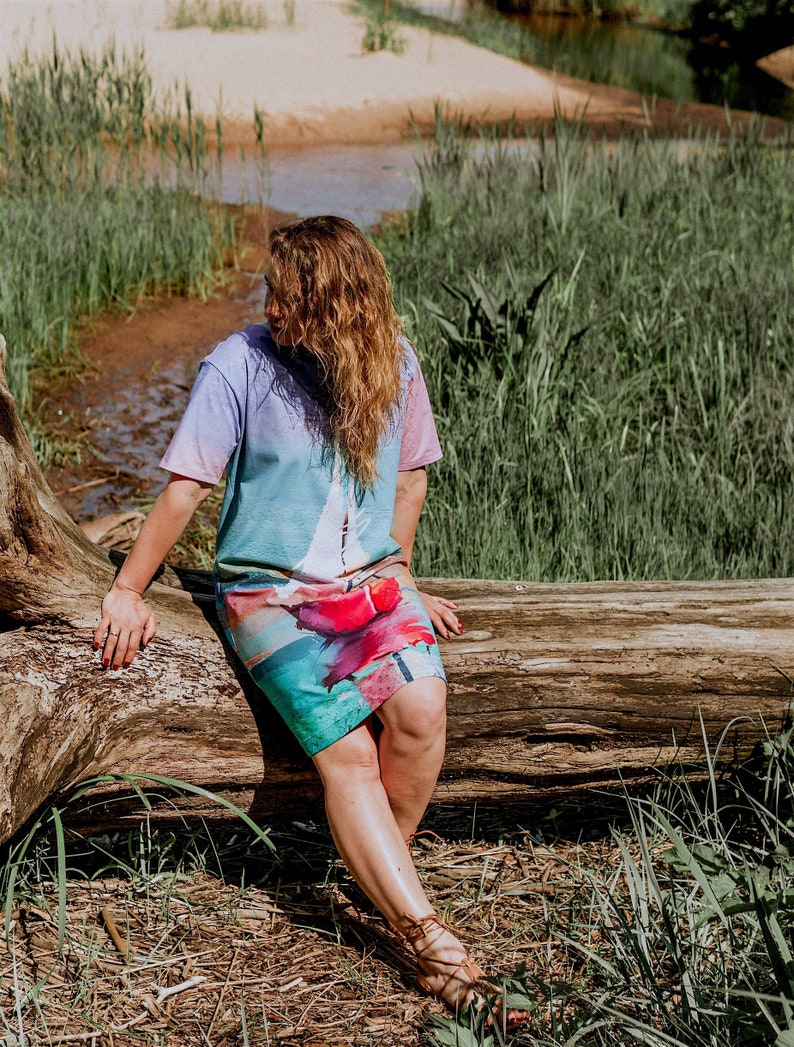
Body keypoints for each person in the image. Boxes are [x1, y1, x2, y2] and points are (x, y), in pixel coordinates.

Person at [93, 215, 528, 1030]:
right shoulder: (240, 362)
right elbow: (187, 488)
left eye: (288, 294)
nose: (271, 306)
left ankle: (370, 870)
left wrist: (398, 572)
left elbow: (410, 480)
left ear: (335, 303)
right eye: (270, 291)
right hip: (270, 594)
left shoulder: (394, 362)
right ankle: (436, 951)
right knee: (350, 757)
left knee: (424, 711)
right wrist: (127, 589)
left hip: (367, 581)